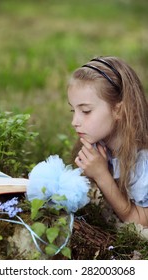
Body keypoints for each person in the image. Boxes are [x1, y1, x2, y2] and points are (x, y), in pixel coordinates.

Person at [67, 56, 148, 227]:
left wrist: (101, 175)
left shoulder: (143, 159)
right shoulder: (99, 143)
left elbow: (140, 222)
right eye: (73, 110)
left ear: (118, 110)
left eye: (86, 111)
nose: (75, 121)